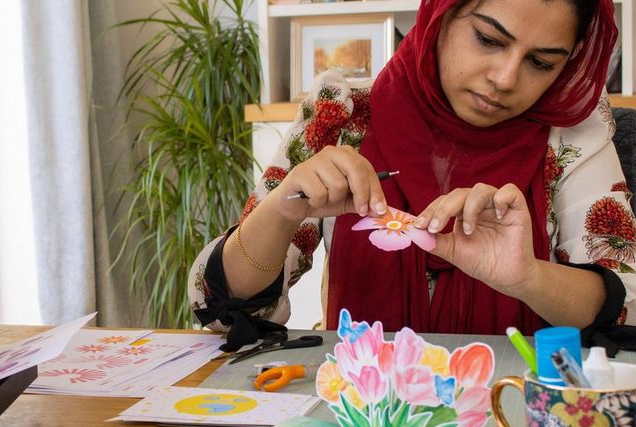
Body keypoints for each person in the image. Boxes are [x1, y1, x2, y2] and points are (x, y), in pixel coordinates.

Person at [188, 0, 636, 352]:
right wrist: (283, 207)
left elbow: (626, 308)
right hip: (362, 409)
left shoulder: (571, 134)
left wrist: (528, 278)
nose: (504, 78)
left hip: (514, 411)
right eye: (488, 39)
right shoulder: (342, 113)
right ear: (441, 14)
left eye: (541, 63)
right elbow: (223, 310)